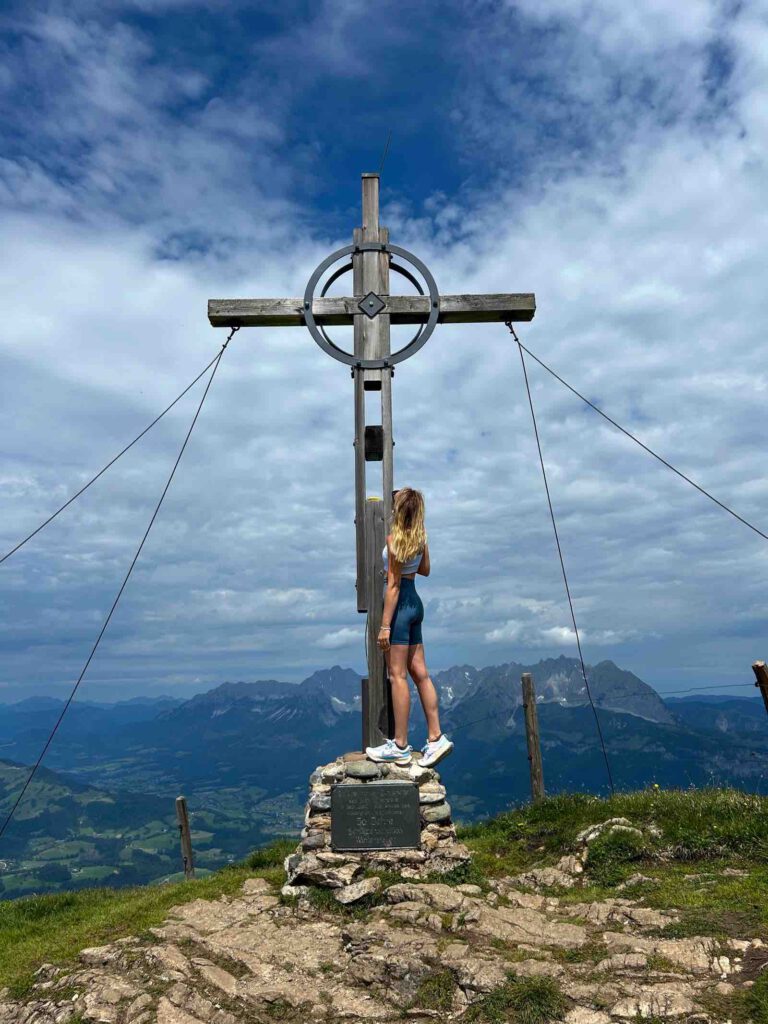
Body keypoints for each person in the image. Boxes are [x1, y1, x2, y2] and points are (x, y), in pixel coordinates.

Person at [365, 487, 454, 769]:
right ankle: (436, 737)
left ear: (399, 510)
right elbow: (425, 570)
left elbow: (392, 586)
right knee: (421, 674)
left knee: (397, 676)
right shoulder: (420, 537)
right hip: (416, 602)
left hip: (401, 606)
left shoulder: (394, 541)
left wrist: (384, 627)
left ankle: (400, 745)